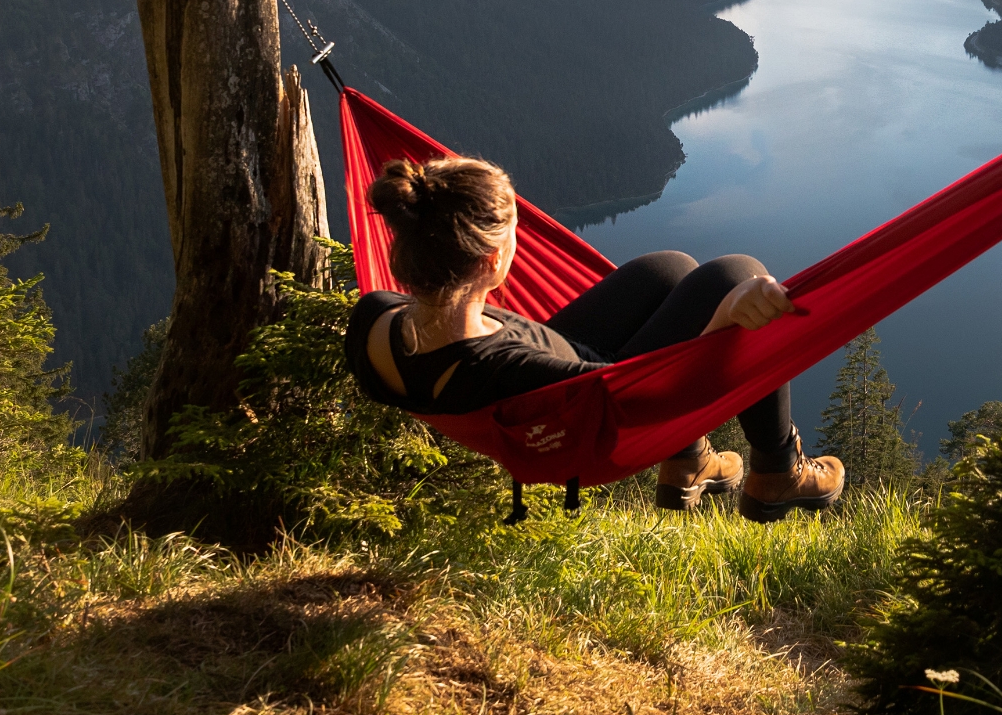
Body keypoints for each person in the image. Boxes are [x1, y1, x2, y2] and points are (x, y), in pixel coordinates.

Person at [340, 155, 848, 519]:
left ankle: (691, 460)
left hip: (557, 377)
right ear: (491, 260)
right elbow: (644, 397)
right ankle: (777, 471)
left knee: (669, 269)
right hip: (587, 414)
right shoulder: (509, 366)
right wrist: (725, 320)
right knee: (737, 274)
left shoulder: (376, 318)